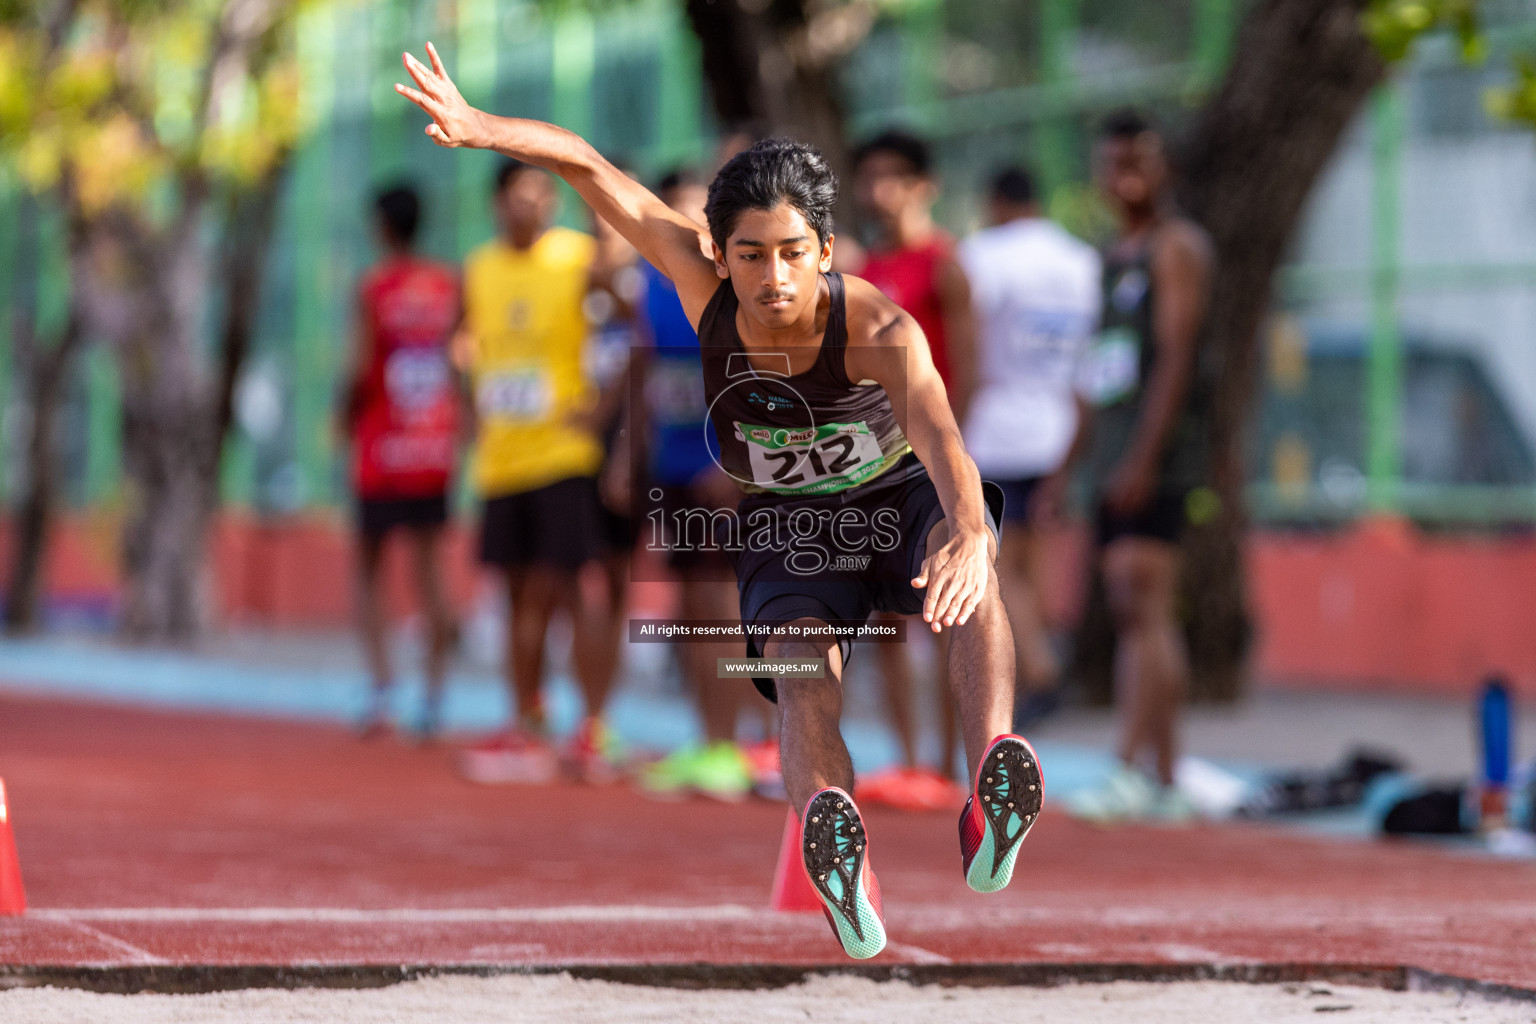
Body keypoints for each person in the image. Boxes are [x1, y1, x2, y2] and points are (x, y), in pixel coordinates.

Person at [397, 43, 1044, 960]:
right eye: (750, 255)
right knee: (794, 672)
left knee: (970, 565)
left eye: (791, 254)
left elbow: (942, 439)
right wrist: (481, 129)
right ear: (719, 254)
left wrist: (972, 530)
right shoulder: (700, 288)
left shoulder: (876, 327)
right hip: (786, 522)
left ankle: (991, 783)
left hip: (894, 494)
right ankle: (836, 844)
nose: (773, 278)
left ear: (824, 250)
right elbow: (588, 166)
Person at [1056, 110, 1213, 822]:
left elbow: (1176, 356)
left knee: (1139, 595)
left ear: (1163, 170)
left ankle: (1133, 769)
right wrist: (1070, 463)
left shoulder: (1175, 249)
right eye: (1112, 166)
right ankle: (1166, 778)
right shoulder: (1112, 255)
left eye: (1137, 165)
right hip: (1116, 453)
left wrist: (1145, 458)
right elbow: (1100, 370)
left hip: (1159, 455)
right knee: (1135, 608)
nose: (1123, 179)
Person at [454, 159, 620, 785]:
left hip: (562, 454)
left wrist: (601, 409)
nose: (531, 205)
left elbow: (633, 324)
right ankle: (526, 723)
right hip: (502, 459)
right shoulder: (478, 268)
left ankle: (594, 726)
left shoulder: (580, 257)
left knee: (579, 588)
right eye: (519, 194)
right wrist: (467, 409)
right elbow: (458, 340)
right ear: (497, 202)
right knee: (518, 595)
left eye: (541, 195)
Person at [846, 130, 976, 809]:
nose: (879, 190)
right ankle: (906, 760)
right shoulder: (864, 270)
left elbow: (970, 375)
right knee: (887, 621)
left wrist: (957, 471)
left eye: (894, 176)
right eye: (869, 176)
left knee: (949, 618)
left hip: (930, 468)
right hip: (873, 470)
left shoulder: (945, 265)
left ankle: (953, 768)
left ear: (926, 185)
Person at [632, 169, 770, 803]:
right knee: (691, 611)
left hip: (727, 477)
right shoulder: (654, 289)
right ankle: (707, 739)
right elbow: (645, 374)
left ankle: (740, 743)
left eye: (701, 217)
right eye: (677, 215)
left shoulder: (738, 292)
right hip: (674, 468)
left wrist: (737, 465)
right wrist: (626, 457)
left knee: (729, 613)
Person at [957, 166, 1101, 727]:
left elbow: (968, 348)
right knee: (1034, 561)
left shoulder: (982, 255)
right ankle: (1034, 666)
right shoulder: (1083, 260)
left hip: (996, 427)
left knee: (994, 563)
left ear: (996, 202)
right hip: (1060, 426)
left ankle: (1039, 668)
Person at [342, 183, 460, 740]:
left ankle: (382, 690)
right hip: (432, 446)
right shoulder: (446, 285)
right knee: (432, 571)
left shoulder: (373, 288)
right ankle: (434, 698)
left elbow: (360, 368)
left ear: (382, 228)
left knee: (368, 569)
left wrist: (342, 415)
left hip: (382, 447)